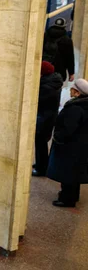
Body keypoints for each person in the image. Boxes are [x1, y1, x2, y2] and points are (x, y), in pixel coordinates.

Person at [47, 78, 88, 207]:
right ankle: (73, 196)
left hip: (70, 146)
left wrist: (57, 138)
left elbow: (67, 129)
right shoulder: (84, 105)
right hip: (80, 145)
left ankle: (66, 199)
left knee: (67, 173)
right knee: (75, 173)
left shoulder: (75, 108)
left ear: (77, 92)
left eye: (72, 89)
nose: (70, 90)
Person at [33, 61, 63, 176]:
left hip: (44, 118)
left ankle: (41, 168)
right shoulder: (53, 81)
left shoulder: (46, 86)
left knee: (40, 142)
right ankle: (41, 163)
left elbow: (38, 100)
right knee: (42, 142)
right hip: (48, 117)